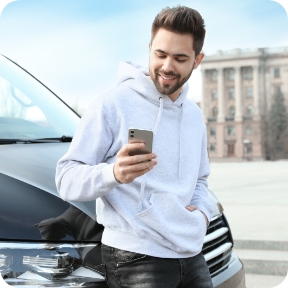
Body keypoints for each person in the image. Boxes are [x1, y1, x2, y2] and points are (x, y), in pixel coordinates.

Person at [56, 5, 214, 288]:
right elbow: (66, 179)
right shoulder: (113, 104)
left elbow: (200, 179)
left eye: (180, 58)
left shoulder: (193, 115)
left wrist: (202, 215)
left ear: (197, 60)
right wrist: (114, 174)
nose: (167, 66)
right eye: (160, 54)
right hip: (135, 256)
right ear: (150, 48)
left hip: (192, 255)